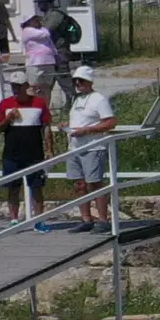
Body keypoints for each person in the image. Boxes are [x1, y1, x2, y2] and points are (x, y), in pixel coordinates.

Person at [0, 71, 51, 222]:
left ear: (25, 86)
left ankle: (39, 220)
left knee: (36, 188)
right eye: (13, 86)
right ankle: (14, 220)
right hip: (12, 154)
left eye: (18, 86)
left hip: (35, 154)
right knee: (13, 188)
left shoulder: (39, 103)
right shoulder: (5, 104)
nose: (15, 89)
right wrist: (7, 119)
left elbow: (46, 127)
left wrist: (50, 149)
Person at [62, 69, 117, 229]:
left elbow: (111, 122)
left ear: (90, 82)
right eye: (76, 81)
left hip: (92, 147)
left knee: (95, 183)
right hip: (74, 147)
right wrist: (67, 126)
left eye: (81, 80)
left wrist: (87, 131)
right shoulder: (77, 99)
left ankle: (103, 219)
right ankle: (86, 219)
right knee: (79, 184)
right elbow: (80, 120)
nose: (78, 84)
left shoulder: (99, 99)